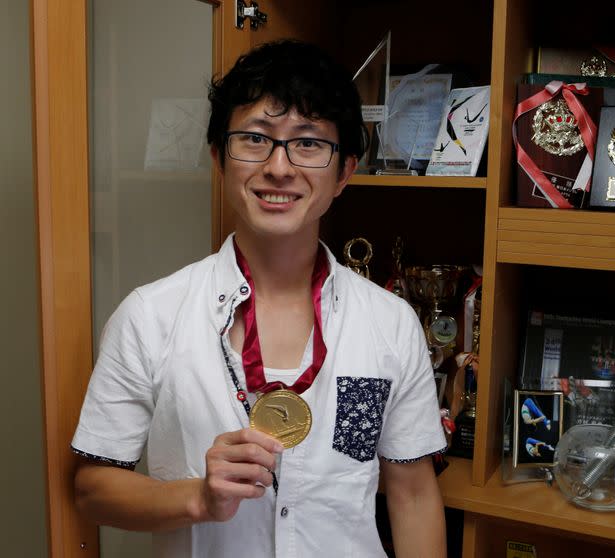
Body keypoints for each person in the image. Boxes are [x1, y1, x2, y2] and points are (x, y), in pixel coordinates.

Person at [71, 40, 447, 558]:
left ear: (345, 173)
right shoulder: (150, 316)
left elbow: (413, 494)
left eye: (309, 143)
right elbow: (92, 489)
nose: (279, 167)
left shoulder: (390, 323)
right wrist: (197, 498)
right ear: (218, 159)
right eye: (254, 139)